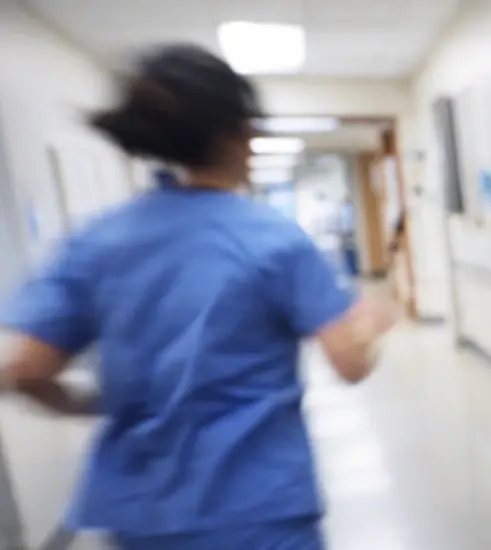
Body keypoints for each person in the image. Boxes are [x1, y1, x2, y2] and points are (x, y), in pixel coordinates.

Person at [0, 44, 397, 550]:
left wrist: (93, 404)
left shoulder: (96, 240)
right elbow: (351, 363)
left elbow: (27, 370)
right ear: (234, 134)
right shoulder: (273, 239)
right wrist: (370, 322)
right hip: (260, 509)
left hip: (144, 514)